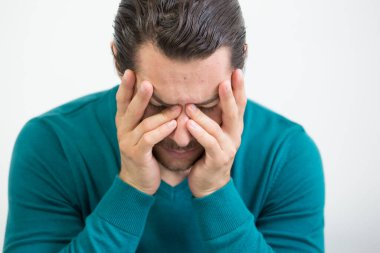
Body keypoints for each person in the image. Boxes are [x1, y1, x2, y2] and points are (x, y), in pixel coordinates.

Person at [3, 0, 325, 252]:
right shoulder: (52, 144)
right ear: (118, 60)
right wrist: (131, 187)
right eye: (157, 105)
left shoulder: (287, 154)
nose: (182, 136)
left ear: (240, 65)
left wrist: (216, 192)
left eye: (206, 106)